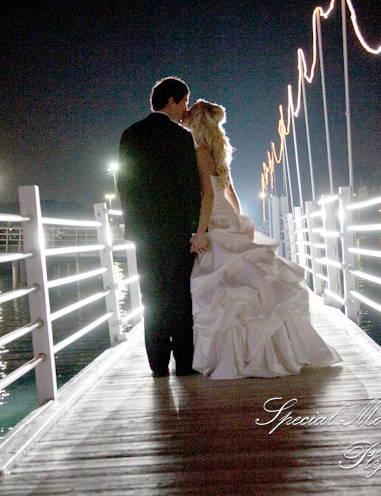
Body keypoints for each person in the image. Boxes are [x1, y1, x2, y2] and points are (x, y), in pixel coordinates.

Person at [182, 99, 341, 379]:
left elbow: (208, 195)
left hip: (215, 222)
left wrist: (201, 232)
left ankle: (238, 356)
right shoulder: (217, 150)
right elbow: (231, 194)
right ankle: (270, 350)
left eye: (189, 113)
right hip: (228, 219)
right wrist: (239, 221)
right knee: (248, 288)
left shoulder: (200, 150)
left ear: (196, 121)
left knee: (227, 292)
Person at [118, 77, 202, 377]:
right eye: (184, 102)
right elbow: (191, 188)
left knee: (151, 297)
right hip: (176, 232)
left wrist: (133, 225)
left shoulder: (130, 135)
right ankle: (184, 364)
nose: (185, 109)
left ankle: (157, 366)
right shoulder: (180, 137)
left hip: (144, 233)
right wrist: (195, 229)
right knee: (180, 297)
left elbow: (124, 186)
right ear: (171, 102)